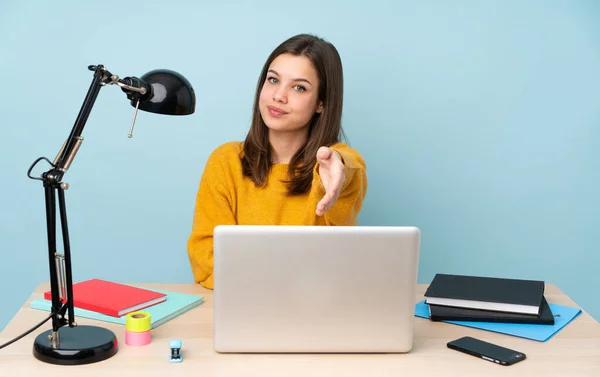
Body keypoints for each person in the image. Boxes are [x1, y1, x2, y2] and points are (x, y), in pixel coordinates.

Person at [187, 33, 368, 289]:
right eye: (273, 80)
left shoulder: (335, 165)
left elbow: (347, 168)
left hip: (317, 310)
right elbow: (207, 259)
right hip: (243, 308)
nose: (279, 96)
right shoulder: (225, 161)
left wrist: (338, 165)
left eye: (299, 87)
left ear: (321, 103)